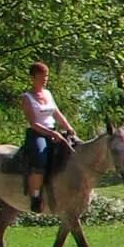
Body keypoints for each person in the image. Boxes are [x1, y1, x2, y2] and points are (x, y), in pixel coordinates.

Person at [18, 61, 77, 213]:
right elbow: (33, 123)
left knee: (73, 154)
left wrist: (69, 128)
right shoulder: (26, 97)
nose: (45, 79)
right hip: (37, 134)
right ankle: (36, 197)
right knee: (40, 159)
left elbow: (56, 113)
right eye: (41, 76)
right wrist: (52, 134)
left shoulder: (48, 94)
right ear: (33, 77)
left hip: (53, 131)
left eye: (46, 76)